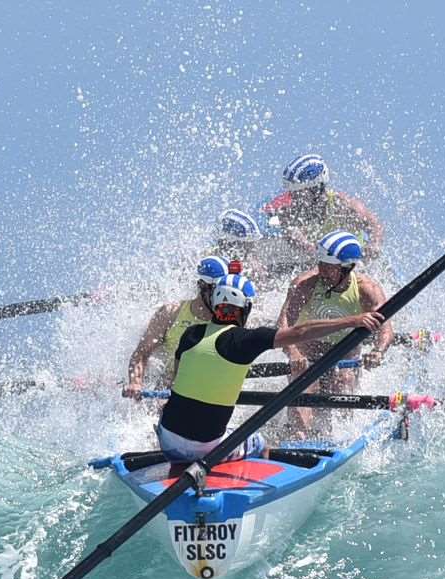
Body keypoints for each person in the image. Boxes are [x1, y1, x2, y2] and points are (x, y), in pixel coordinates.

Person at [155, 272, 384, 464]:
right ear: (244, 308)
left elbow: (177, 378)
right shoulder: (246, 340)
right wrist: (353, 321)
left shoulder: (190, 334)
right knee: (262, 444)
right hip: (206, 449)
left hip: (167, 441)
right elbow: (300, 332)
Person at [276, 230, 392, 431]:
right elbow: (283, 324)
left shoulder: (367, 289)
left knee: (344, 381)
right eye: (320, 263)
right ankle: (297, 434)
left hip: (345, 351)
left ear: (347, 268)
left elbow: (386, 329)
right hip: (307, 349)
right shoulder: (305, 285)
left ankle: (341, 434)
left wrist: (378, 352)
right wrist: (293, 351)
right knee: (302, 388)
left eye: (328, 267)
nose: (321, 270)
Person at [123, 256, 227, 398]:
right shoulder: (170, 313)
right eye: (219, 291)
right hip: (169, 387)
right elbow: (141, 353)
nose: (224, 299)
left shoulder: (230, 318)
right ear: (202, 286)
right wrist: (136, 383)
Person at [260, 153, 385, 267]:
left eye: (299, 193)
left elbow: (375, 226)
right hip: (325, 269)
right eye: (292, 193)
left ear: (317, 189)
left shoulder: (342, 205)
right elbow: (301, 243)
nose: (293, 198)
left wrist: (374, 244)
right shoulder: (290, 215)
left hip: (358, 264)